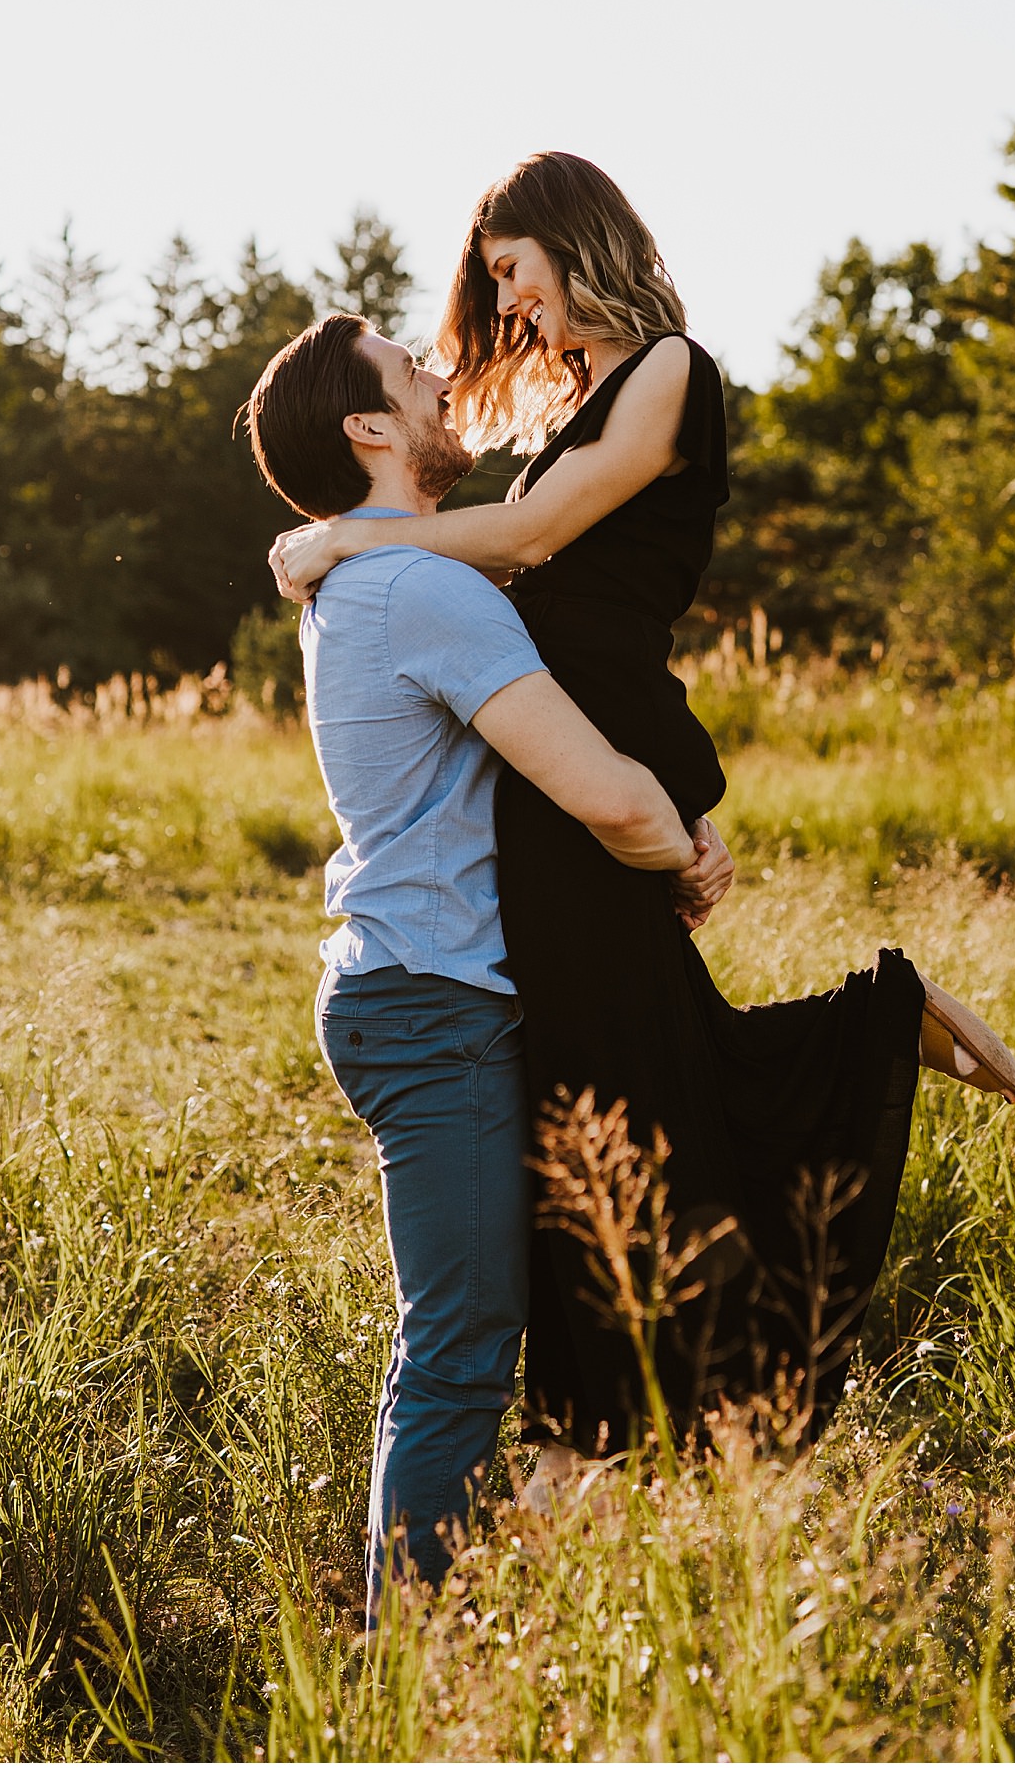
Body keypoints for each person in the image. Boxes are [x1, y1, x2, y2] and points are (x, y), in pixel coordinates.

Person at [271, 152, 1015, 1495]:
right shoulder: (562, 412)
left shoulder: (668, 366)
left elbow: (534, 531)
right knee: (635, 1075)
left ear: (577, 241)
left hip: (604, 713)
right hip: (583, 757)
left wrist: (348, 540)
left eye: (514, 268)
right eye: (493, 279)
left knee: (637, 1074)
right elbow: (508, 530)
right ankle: (586, 1442)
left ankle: (865, 1037)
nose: (504, 302)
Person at [242, 309, 731, 1620]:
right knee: (461, 1350)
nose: (445, 380)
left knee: (511, 1326)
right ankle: (415, 1668)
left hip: (432, 994)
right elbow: (609, 803)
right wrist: (676, 843)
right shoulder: (424, 588)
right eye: (414, 376)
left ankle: (500, 1601)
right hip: (432, 1006)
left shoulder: (386, 576)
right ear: (370, 430)